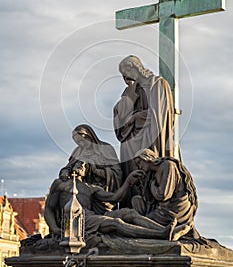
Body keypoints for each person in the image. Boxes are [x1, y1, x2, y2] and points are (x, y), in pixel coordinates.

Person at [44, 160, 189, 245]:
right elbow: (49, 209)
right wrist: (56, 229)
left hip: (90, 217)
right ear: (72, 166)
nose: (82, 167)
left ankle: (164, 230)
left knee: (129, 212)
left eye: (84, 166)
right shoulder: (61, 184)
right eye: (79, 164)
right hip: (78, 222)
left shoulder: (90, 188)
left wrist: (128, 182)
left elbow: (114, 198)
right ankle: (161, 235)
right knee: (116, 223)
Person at [113, 56, 175, 205]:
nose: (125, 77)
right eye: (123, 75)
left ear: (136, 67)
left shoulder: (157, 84)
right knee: (128, 151)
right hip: (132, 136)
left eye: (126, 72)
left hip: (150, 135)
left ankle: (151, 201)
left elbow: (160, 115)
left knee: (145, 161)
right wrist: (128, 96)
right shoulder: (130, 91)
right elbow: (120, 115)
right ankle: (132, 202)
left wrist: (137, 117)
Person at [130, 149, 199, 238]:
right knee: (137, 201)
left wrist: (152, 185)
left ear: (146, 158)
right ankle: (169, 231)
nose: (139, 167)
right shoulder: (154, 172)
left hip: (175, 210)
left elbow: (163, 195)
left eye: (139, 163)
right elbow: (149, 198)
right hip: (166, 208)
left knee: (140, 222)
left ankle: (172, 231)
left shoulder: (168, 165)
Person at [59, 124, 122, 214]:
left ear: (89, 136)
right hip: (82, 192)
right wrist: (64, 172)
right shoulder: (78, 151)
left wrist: (96, 171)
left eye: (82, 141)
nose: (81, 144)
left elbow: (117, 173)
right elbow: (68, 167)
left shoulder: (106, 149)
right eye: (78, 142)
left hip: (101, 191)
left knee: (102, 218)